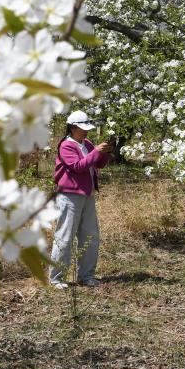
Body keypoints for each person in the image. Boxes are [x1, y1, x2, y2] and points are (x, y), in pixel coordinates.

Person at [49, 110, 113, 289]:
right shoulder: (66, 146)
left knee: (90, 237)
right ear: (72, 127)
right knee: (65, 237)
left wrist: (105, 152)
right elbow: (78, 166)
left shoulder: (87, 143)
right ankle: (56, 278)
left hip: (87, 195)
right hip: (69, 197)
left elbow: (98, 163)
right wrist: (96, 153)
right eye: (82, 128)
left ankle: (87, 276)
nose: (86, 132)